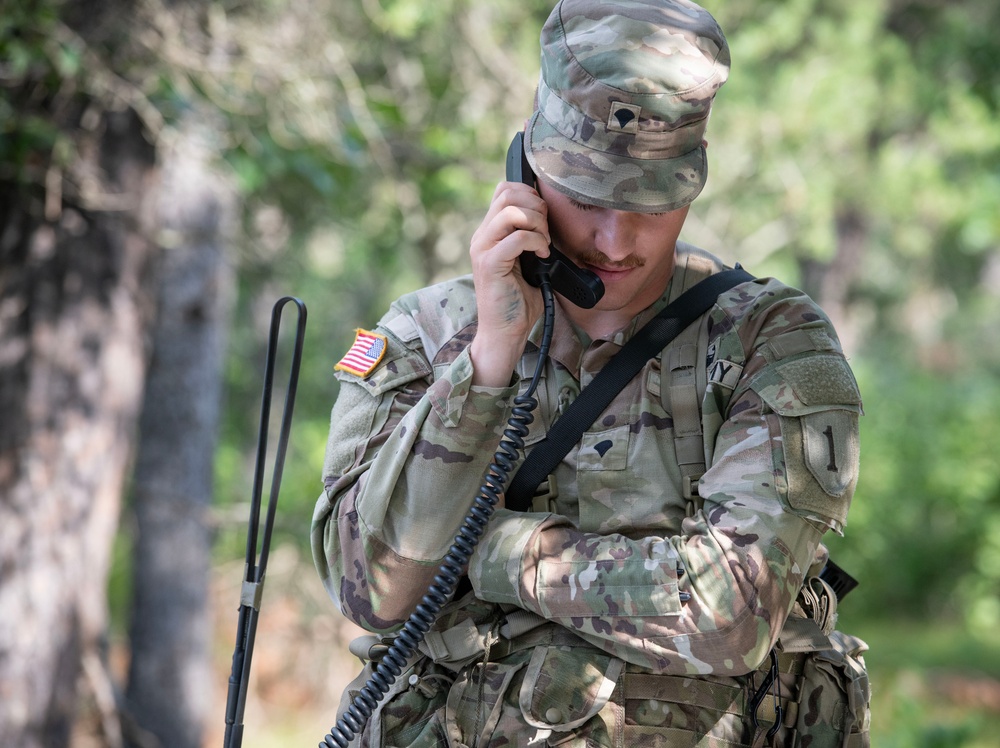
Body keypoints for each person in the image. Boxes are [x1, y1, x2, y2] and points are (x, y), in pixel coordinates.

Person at [312, 1, 871, 745]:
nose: (615, 241)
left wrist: (486, 549)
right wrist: (488, 363)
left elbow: (728, 617)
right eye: (585, 197)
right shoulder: (425, 335)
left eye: (652, 205)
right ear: (527, 172)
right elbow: (373, 591)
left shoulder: (769, 340)